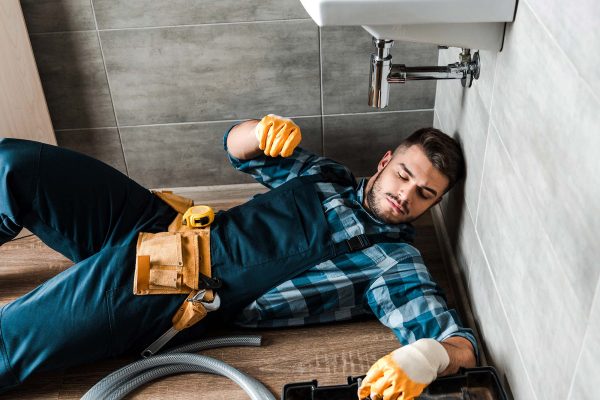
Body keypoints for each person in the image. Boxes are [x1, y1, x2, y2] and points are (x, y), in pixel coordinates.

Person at [0, 114, 476, 399]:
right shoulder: (328, 175)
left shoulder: (393, 262)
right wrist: (260, 129)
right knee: (14, 166)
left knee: (9, 340)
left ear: (433, 206)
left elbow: (458, 343)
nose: (404, 195)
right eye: (403, 175)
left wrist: (429, 357)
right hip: (163, 222)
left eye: (424, 194)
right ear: (384, 161)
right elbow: (239, 150)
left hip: (174, 283)